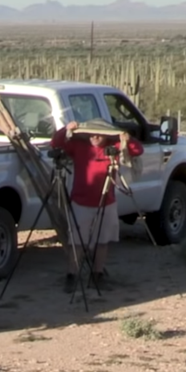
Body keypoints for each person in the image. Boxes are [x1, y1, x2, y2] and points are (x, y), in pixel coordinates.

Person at [50, 118, 143, 293]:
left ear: (106, 136)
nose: (95, 137)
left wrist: (126, 139)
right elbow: (56, 142)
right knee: (77, 242)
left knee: (102, 241)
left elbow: (138, 150)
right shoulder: (79, 146)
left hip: (106, 201)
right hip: (81, 201)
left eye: (99, 134)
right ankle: (72, 275)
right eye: (91, 134)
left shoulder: (113, 147)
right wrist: (66, 129)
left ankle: (97, 275)